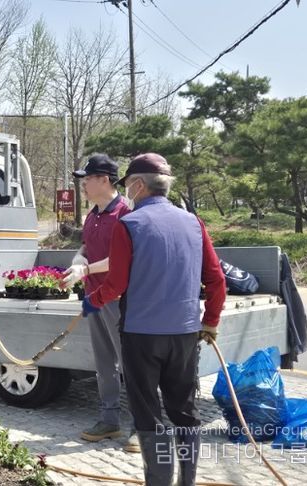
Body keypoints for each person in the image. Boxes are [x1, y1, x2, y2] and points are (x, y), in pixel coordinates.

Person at [82, 153, 226, 486]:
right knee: (185, 413)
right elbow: (216, 279)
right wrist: (210, 322)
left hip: (141, 335)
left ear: (138, 185)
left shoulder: (129, 224)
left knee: (148, 415)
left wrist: (92, 301)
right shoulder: (193, 222)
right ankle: (187, 482)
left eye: (128, 185)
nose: (126, 191)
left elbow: (116, 284)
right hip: (185, 334)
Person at [62, 154, 131, 443]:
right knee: (104, 363)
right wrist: (79, 260)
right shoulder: (93, 215)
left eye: (87, 179)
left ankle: (142, 425)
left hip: (120, 300)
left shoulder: (126, 213)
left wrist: (87, 269)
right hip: (94, 298)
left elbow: (123, 260)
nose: (83, 185)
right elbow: (86, 248)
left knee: (130, 364)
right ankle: (109, 419)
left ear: (104, 180)